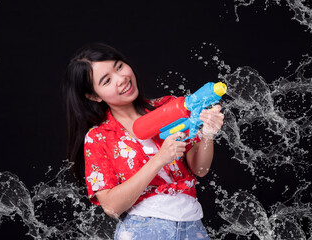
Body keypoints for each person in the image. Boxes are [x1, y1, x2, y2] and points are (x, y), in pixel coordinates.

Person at [62, 42, 224, 240]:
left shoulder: (170, 107)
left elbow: (200, 169)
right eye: (106, 80)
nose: (121, 79)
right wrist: (159, 160)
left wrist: (208, 133)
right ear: (94, 96)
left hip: (192, 226)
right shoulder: (99, 137)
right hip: (144, 230)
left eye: (119, 66)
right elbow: (112, 207)